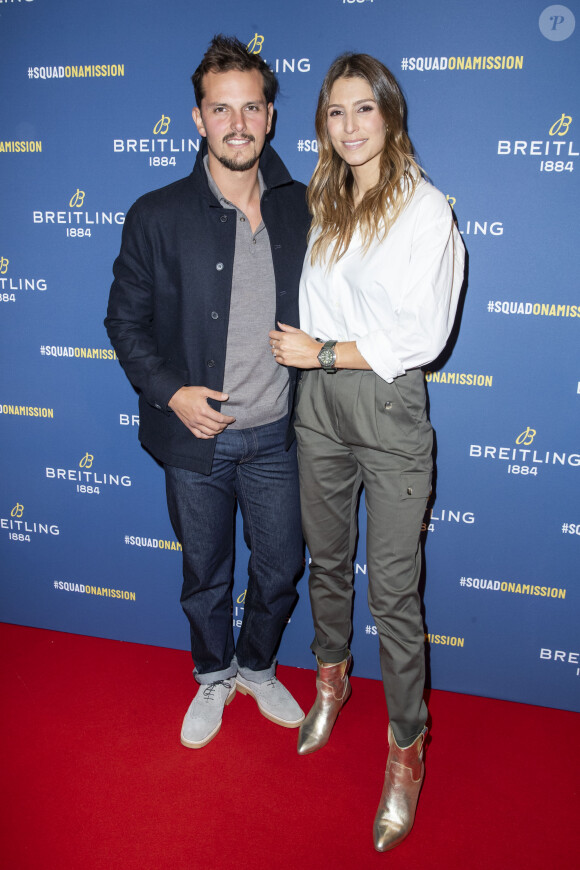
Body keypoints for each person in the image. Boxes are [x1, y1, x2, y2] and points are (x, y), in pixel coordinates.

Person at [269, 53, 465, 851]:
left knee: (393, 594)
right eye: (335, 112)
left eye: (363, 110)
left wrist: (319, 353)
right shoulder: (324, 198)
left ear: (390, 114)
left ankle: (406, 751)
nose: (349, 126)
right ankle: (330, 682)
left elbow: (423, 334)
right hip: (318, 412)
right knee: (326, 561)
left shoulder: (424, 208)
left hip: (384, 410)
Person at [106, 35, 311, 749]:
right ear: (198, 119)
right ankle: (211, 675)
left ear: (271, 115)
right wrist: (171, 393)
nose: (238, 123)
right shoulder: (156, 214)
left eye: (250, 107)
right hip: (196, 440)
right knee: (205, 574)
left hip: (279, 436)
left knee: (282, 567)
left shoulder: (302, 208)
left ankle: (256, 666)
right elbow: (124, 322)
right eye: (221, 109)